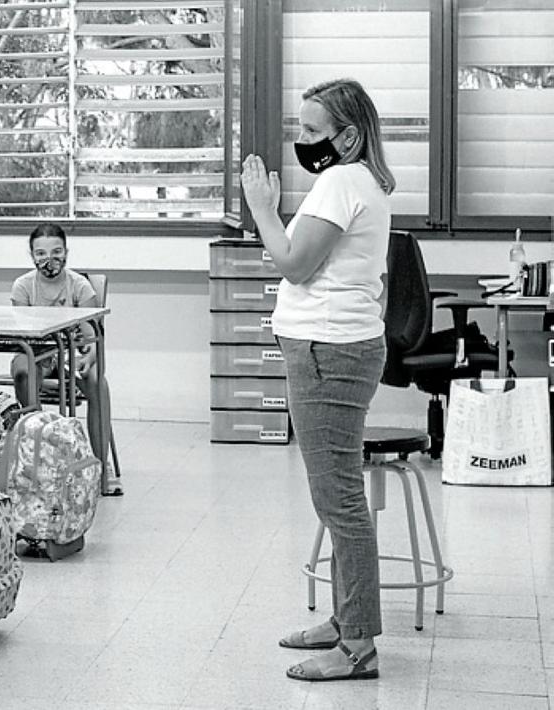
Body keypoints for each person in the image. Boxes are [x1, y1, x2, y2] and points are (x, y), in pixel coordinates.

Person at [241, 78, 394, 682]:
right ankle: (344, 618)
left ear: (347, 136)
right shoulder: (361, 181)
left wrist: (261, 208)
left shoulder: (339, 181)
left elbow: (294, 264)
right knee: (335, 498)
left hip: (329, 353)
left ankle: (357, 646)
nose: (300, 141)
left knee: (341, 502)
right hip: (334, 350)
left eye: (310, 131)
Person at [9, 222, 113, 468]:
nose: (49, 259)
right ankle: (40, 458)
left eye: (57, 252)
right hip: (38, 350)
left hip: (72, 352)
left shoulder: (80, 286)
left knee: (98, 383)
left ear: (66, 252)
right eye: (41, 253)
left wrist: (89, 358)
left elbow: (93, 335)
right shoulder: (23, 286)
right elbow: (22, 336)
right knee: (24, 374)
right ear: (32, 255)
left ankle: (100, 465)